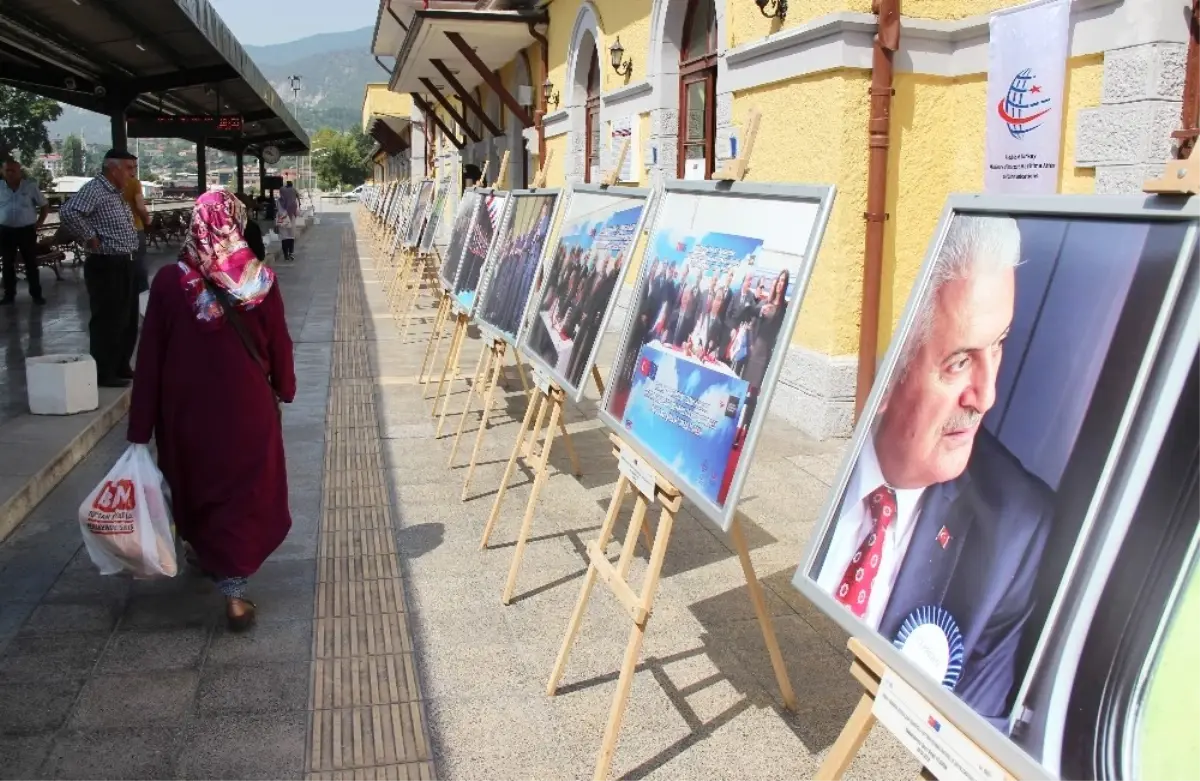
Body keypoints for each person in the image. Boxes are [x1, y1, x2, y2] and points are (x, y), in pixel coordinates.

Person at [814, 215, 1054, 729]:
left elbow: (973, 734)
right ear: (889, 369)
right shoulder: (815, 464)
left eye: (999, 343)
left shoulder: (1015, 528)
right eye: (959, 362)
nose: (987, 396)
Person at [127, 189, 296, 631]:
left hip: (186, 413)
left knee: (195, 483)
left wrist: (139, 424)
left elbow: (150, 357)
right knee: (243, 492)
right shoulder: (259, 281)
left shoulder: (168, 281)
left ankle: (203, 552)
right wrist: (285, 387)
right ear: (236, 222)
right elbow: (279, 344)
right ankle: (235, 593)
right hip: (247, 409)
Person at [59, 149, 141, 387]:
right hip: (106, 263)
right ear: (112, 168)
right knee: (109, 318)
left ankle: (121, 364)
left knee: (128, 317)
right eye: (128, 169)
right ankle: (104, 371)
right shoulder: (96, 189)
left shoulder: (116, 192)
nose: (132, 174)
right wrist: (89, 236)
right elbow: (69, 211)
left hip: (125, 260)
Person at [0, 158, 49, 305]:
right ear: (2, 172)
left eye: (13, 170)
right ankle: (9, 295)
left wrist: (39, 222)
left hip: (26, 231)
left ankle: (36, 295)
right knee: (7, 263)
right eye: (7, 170)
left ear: (19, 172)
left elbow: (44, 205)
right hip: (5, 231)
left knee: (31, 263)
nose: (10, 173)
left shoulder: (30, 187)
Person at [121, 172, 152, 294]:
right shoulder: (134, 183)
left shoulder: (110, 183)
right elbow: (140, 205)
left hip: (118, 229)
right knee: (139, 260)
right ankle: (142, 291)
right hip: (135, 227)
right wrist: (147, 220)